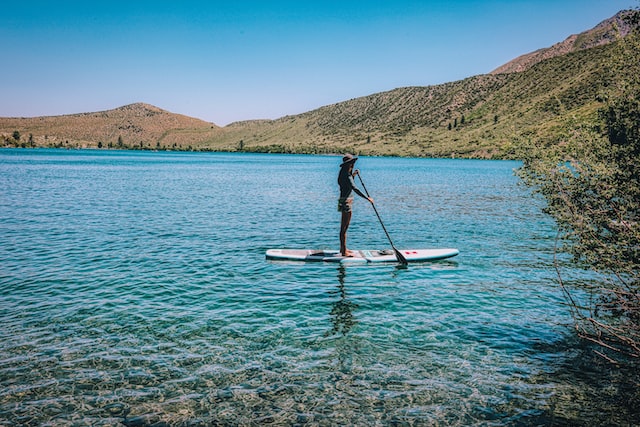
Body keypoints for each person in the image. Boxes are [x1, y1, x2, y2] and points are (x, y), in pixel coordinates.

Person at [338, 154, 373, 256]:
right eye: (352, 163)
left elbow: (348, 183)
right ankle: (344, 252)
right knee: (344, 228)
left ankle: (343, 249)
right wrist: (367, 198)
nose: (353, 164)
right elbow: (354, 188)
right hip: (346, 202)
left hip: (344, 200)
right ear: (349, 164)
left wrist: (354, 175)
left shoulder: (343, 173)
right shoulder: (346, 175)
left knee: (344, 227)